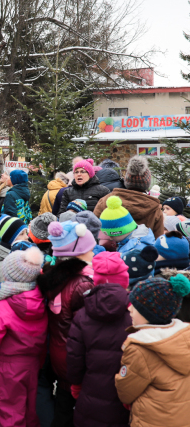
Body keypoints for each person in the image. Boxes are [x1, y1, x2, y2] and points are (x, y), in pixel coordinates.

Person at [0, 248, 47, 427]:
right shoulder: (43, 302)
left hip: (10, 366)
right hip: (35, 362)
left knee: (10, 408)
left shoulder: (3, 307)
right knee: (31, 409)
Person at [36, 221, 96, 427]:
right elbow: (87, 329)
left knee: (63, 402)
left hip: (58, 351)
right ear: (79, 253)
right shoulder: (82, 285)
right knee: (72, 409)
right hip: (74, 357)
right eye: (90, 249)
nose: (93, 253)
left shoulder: (53, 277)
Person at [115, 275, 190, 427]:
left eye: (135, 307)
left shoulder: (140, 349)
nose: (129, 308)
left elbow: (125, 393)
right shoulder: (185, 336)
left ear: (149, 314)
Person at [66, 251, 131, 427]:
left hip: (90, 393)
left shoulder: (82, 314)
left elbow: (74, 357)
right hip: (126, 396)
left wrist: (76, 385)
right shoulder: (136, 313)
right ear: (125, 280)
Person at [94, 156, 164, 238]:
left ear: (126, 180)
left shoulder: (106, 200)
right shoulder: (154, 208)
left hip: (110, 249)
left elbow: (94, 228)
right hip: (143, 249)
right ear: (147, 183)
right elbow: (159, 240)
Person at [0, 215, 27, 291]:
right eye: (22, 234)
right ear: (9, 239)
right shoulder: (3, 269)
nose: (27, 237)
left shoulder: (17, 256)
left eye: (26, 233)